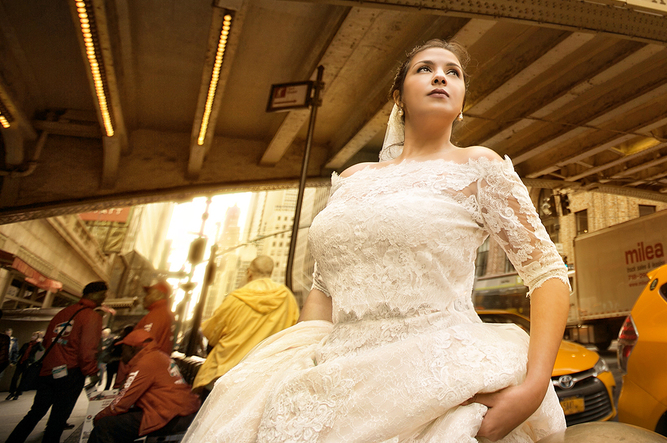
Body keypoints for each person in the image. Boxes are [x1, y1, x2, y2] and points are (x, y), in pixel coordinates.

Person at [183, 40, 571, 443]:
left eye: (452, 72)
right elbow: (323, 290)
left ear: (461, 102)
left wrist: (534, 386)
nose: (440, 76)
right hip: (335, 372)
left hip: (438, 371)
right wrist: (297, 368)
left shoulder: (480, 167)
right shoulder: (352, 181)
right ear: (398, 96)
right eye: (424, 69)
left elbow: (548, 274)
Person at [4, 281, 108, 443]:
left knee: (35, 413)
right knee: (58, 419)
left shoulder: (63, 313)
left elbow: (46, 342)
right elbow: (87, 350)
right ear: (93, 294)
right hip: (70, 374)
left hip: (48, 371)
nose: (103, 299)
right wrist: (92, 372)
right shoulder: (92, 316)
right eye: (102, 295)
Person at [191, 255, 299, 394]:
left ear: (249, 272)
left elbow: (211, 335)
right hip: (261, 378)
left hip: (224, 374)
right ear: (270, 273)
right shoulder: (287, 298)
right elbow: (294, 333)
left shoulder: (236, 298)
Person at [89, 329, 200, 443]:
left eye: (123, 349)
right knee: (120, 422)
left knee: (105, 425)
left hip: (169, 416)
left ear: (133, 349)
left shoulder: (145, 362)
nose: (122, 354)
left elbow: (122, 402)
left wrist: (99, 416)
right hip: (181, 412)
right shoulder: (159, 356)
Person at [136, 280, 175, 355]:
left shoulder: (157, 315)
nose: (145, 297)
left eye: (148, 294)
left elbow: (146, 345)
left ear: (159, 295)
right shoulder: (164, 312)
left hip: (147, 363)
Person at [6, 332, 43, 400]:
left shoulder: (37, 345)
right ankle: (12, 392)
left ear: (37, 338)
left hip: (28, 363)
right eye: (32, 336)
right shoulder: (26, 344)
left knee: (23, 379)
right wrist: (14, 361)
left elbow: (41, 349)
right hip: (21, 362)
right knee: (15, 377)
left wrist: (39, 342)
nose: (32, 337)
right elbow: (19, 353)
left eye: (34, 336)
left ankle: (18, 393)